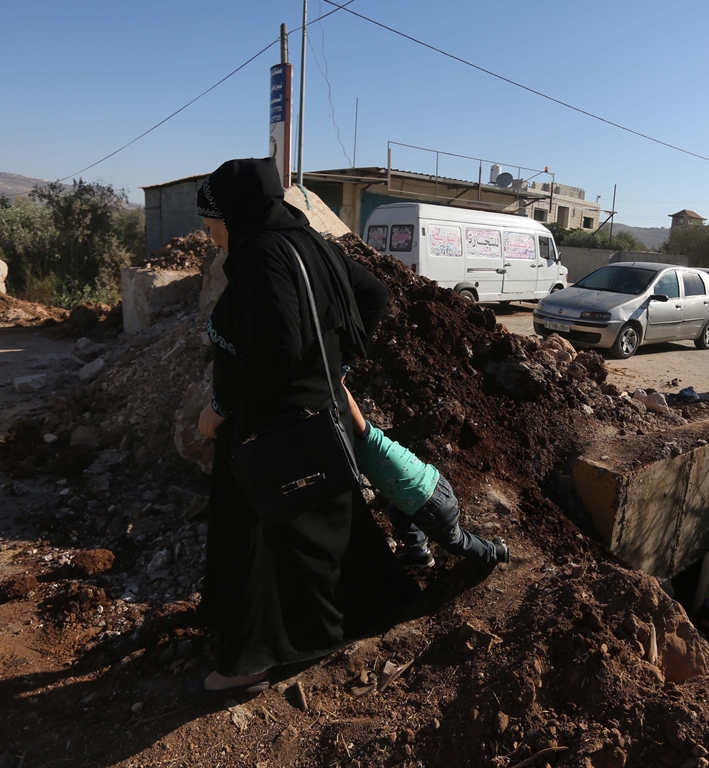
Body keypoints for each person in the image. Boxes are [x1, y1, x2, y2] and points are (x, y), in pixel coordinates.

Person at [192, 158, 418, 696]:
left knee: (255, 538)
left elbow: (277, 346)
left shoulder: (260, 256)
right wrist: (335, 367)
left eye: (211, 222)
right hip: (319, 415)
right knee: (324, 527)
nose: (209, 235)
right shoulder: (310, 242)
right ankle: (364, 613)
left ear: (235, 215)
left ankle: (250, 660)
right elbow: (373, 296)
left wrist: (222, 405)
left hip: (271, 422)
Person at [343, 383, 509, 569]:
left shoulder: (367, 440)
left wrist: (337, 383)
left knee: (456, 541)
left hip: (430, 504)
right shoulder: (364, 444)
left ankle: (496, 552)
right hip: (431, 487)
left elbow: (351, 407)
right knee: (396, 511)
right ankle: (421, 554)